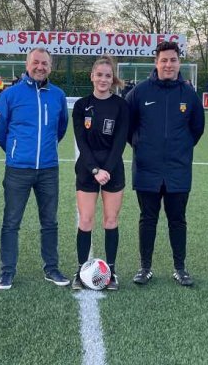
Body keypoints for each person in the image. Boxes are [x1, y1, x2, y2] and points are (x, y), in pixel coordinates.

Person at [126, 41, 204, 286]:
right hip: (147, 169)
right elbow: (128, 126)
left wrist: (180, 148)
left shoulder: (189, 94)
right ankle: (145, 267)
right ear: (156, 63)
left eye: (173, 60)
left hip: (177, 169)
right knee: (147, 219)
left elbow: (197, 128)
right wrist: (141, 144)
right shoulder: (139, 92)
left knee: (177, 219)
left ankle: (180, 268)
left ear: (179, 62)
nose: (168, 64)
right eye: (164, 60)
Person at [0, 47, 69, 290]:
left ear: (50, 67)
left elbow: (60, 129)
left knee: (50, 222)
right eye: (36, 62)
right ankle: (7, 271)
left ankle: (51, 268)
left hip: (48, 169)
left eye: (45, 63)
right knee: (11, 222)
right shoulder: (10, 95)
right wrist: (16, 151)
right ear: (27, 65)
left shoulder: (57, 95)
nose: (40, 67)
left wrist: (45, 150)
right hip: (18, 169)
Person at [71, 56, 129, 291]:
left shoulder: (121, 106)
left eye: (108, 75)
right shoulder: (81, 106)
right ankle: (81, 270)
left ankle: (111, 271)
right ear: (92, 76)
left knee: (110, 220)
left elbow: (119, 142)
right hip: (87, 170)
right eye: (99, 74)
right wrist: (94, 169)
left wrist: (106, 169)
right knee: (85, 220)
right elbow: (81, 143)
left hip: (113, 170)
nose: (103, 79)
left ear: (112, 79)